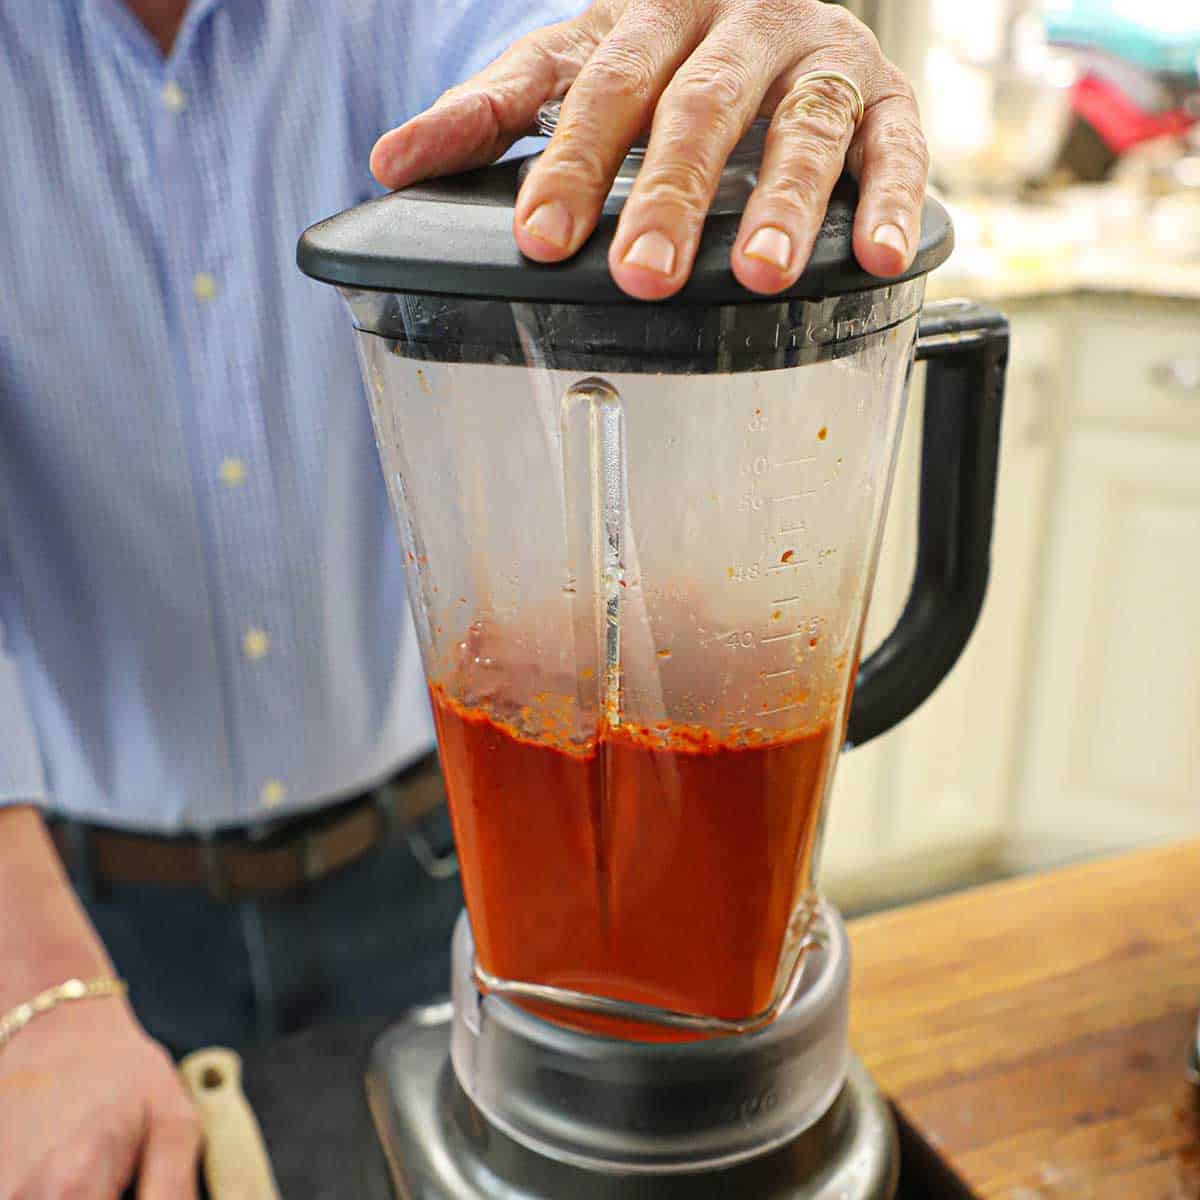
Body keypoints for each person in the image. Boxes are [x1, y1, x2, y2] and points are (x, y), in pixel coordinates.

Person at [0, 0, 928, 1195]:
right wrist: (35, 992)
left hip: (464, 864)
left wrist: (721, 68)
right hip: (66, 914)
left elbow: (563, 72)